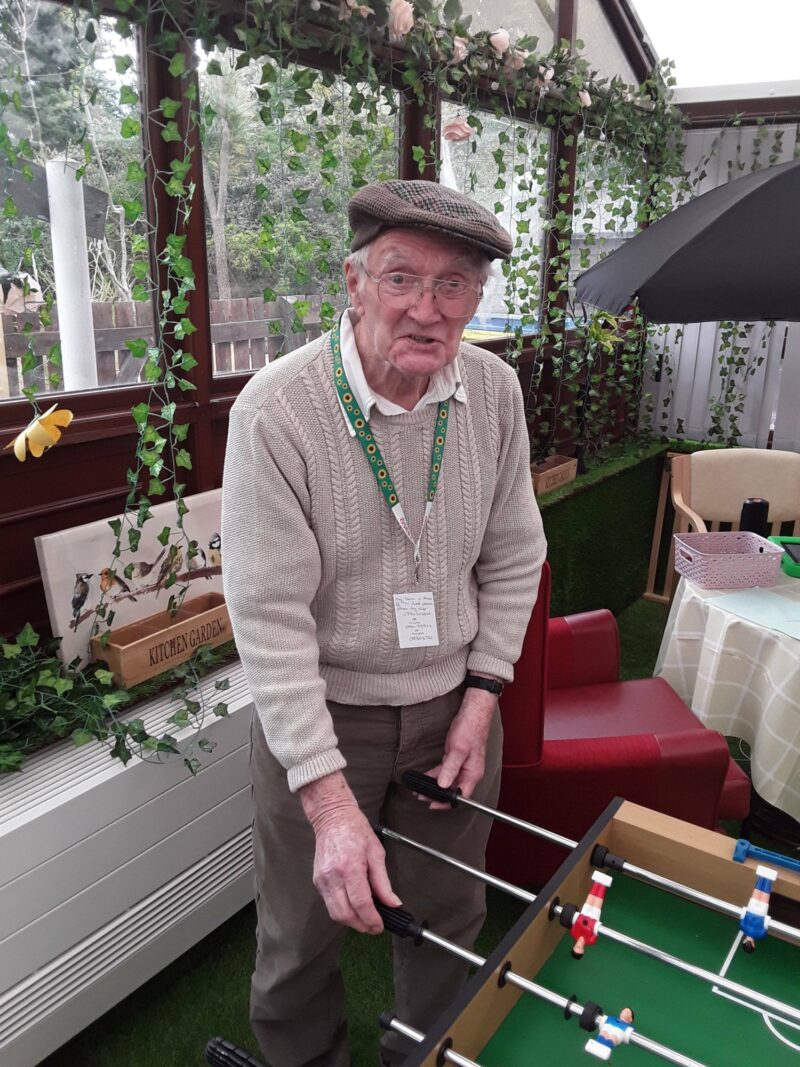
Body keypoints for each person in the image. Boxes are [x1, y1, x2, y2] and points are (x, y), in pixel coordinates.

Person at [222, 179, 546, 1067]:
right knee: (299, 936)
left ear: (477, 298)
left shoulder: (495, 392)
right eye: (402, 278)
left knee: (448, 921)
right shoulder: (277, 412)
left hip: (454, 710)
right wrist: (327, 799)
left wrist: (482, 698)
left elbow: (516, 556)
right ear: (353, 282)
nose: (428, 310)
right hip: (328, 718)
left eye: (455, 286)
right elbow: (270, 619)